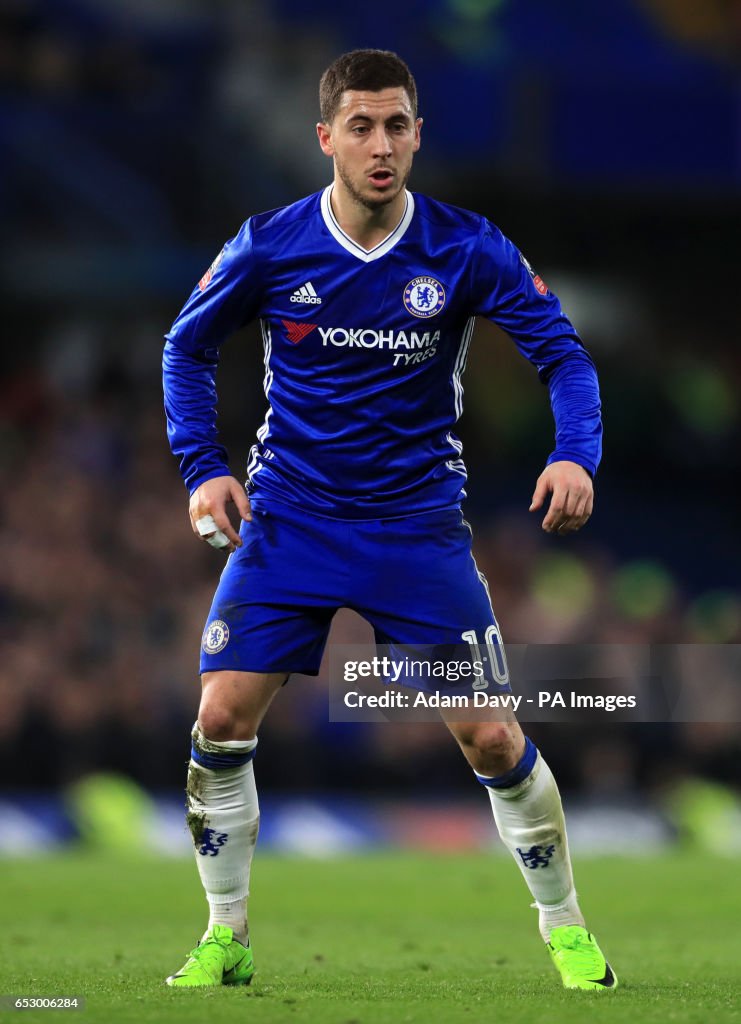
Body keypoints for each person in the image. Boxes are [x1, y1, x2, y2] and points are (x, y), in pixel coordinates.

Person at [162, 49, 615, 991]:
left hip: (416, 530)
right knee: (219, 714)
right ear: (325, 136)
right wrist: (204, 469)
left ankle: (565, 926)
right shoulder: (270, 243)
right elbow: (185, 347)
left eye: (397, 125)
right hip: (288, 520)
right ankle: (225, 934)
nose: (380, 145)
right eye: (360, 127)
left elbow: (564, 358)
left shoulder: (467, 247)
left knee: (490, 736)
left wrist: (575, 452)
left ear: (417, 135)